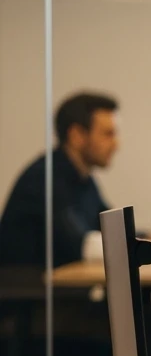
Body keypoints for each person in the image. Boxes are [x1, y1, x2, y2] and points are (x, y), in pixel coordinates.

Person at [0, 92, 119, 268]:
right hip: (30, 291)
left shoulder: (83, 178)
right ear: (77, 135)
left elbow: (109, 227)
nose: (116, 143)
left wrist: (147, 238)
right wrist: (136, 246)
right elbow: (82, 245)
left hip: (61, 288)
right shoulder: (44, 178)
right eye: (107, 134)